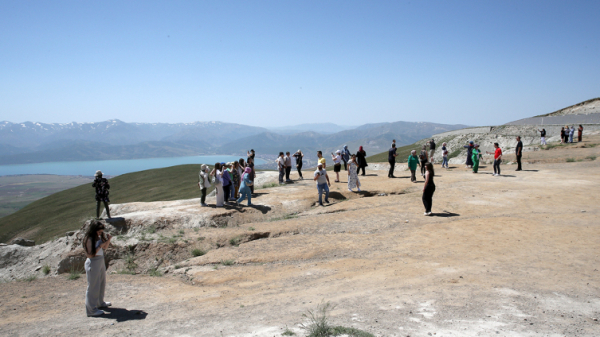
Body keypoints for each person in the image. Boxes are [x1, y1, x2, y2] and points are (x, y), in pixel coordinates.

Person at [83, 220, 112, 317]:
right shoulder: (89, 239)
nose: (100, 233)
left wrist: (108, 240)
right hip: (93, 262)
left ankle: (100, 303)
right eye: (99, 231)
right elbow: (90, 255)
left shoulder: (99, 237)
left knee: (101, 283)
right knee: (93, 286)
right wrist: (99, 246)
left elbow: (105, 247)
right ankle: (91, 310)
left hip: (100, 260)